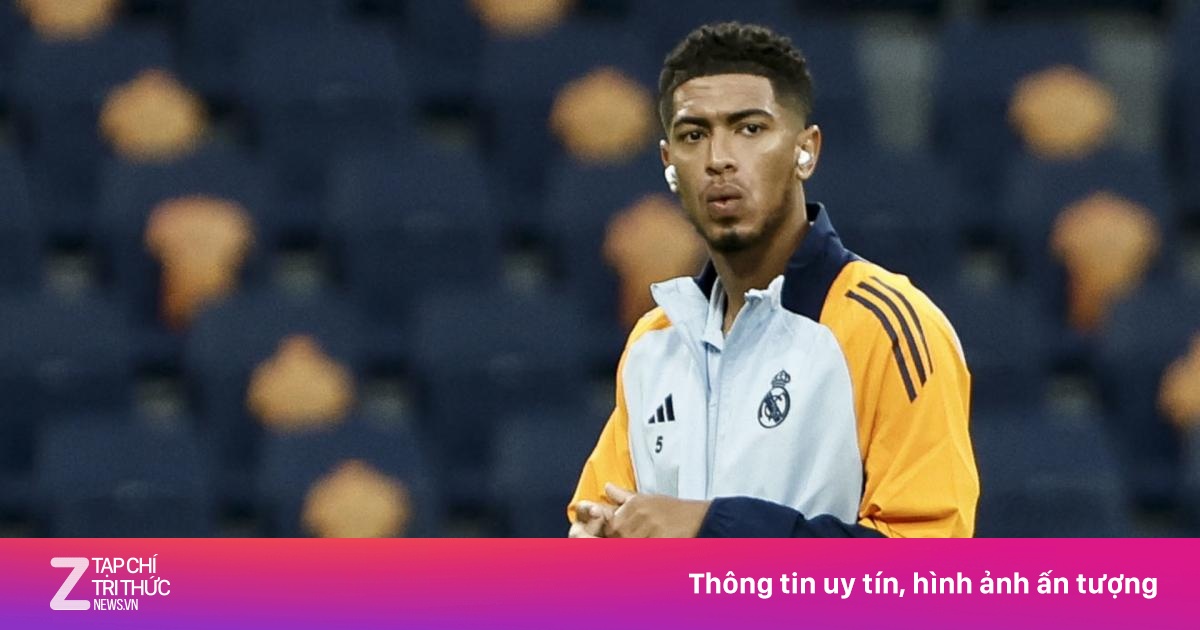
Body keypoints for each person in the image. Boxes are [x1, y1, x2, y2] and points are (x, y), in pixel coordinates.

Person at [567, 22, 978, 538]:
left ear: (806, 151)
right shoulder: (655, 341)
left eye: (749, 129)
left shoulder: (888, 327)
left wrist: (714, 529)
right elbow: (595, 521)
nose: (718, 159)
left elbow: (929, 567)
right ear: (670, 164)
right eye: (694, 135)